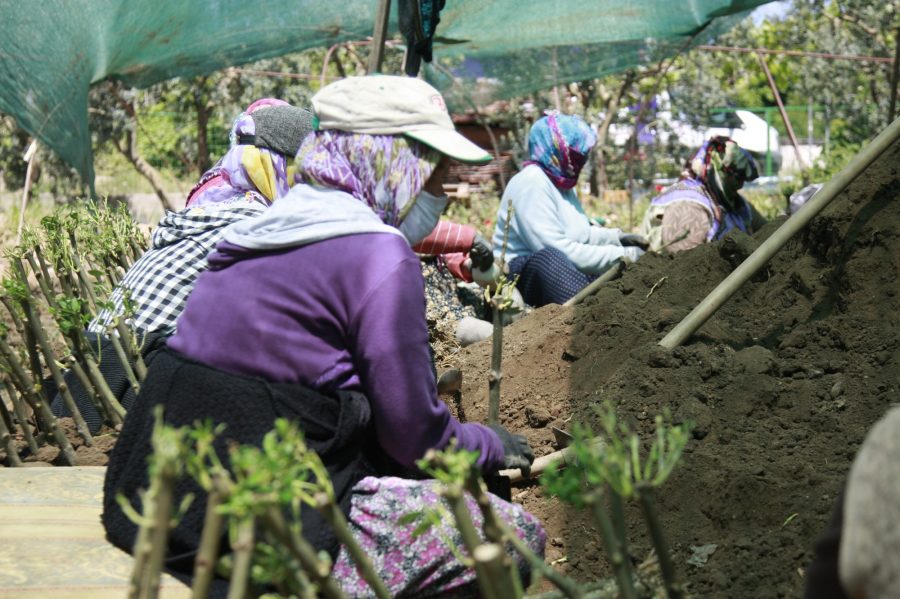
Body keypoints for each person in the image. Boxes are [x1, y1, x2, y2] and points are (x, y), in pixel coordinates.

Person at [102, 75, 544, 597]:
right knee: (514, 538)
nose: (444, 193)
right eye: (436, 172)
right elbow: (415, 443)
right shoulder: (378, 253)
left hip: (160, 501)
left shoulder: (256, 228)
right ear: (392, 162)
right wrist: (487, 443)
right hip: (260, 524)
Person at [50, 99, 314, 434]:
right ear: (279, 166)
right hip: (137, 376)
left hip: (96, 368)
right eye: (306, 173)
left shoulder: (219, 204)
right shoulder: (258, 223)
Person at [492, 111, 646, 307]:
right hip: (518, 278)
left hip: (562, 268)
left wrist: (617, 238)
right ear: (556, 151)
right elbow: (559, 249)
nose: (581, 161)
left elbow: (582, 234)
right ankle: (585, 313)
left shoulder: (560, 183)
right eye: (576, 155)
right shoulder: (532, 182)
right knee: (551, 258)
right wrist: (624, 255)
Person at [639, 135, 766, 253]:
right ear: (719, 171)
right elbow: (683, 265)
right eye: (737, 177)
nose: (740, 185)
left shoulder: (734, 204)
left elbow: (767, 230)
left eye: (743, 179)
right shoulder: (689, 205)